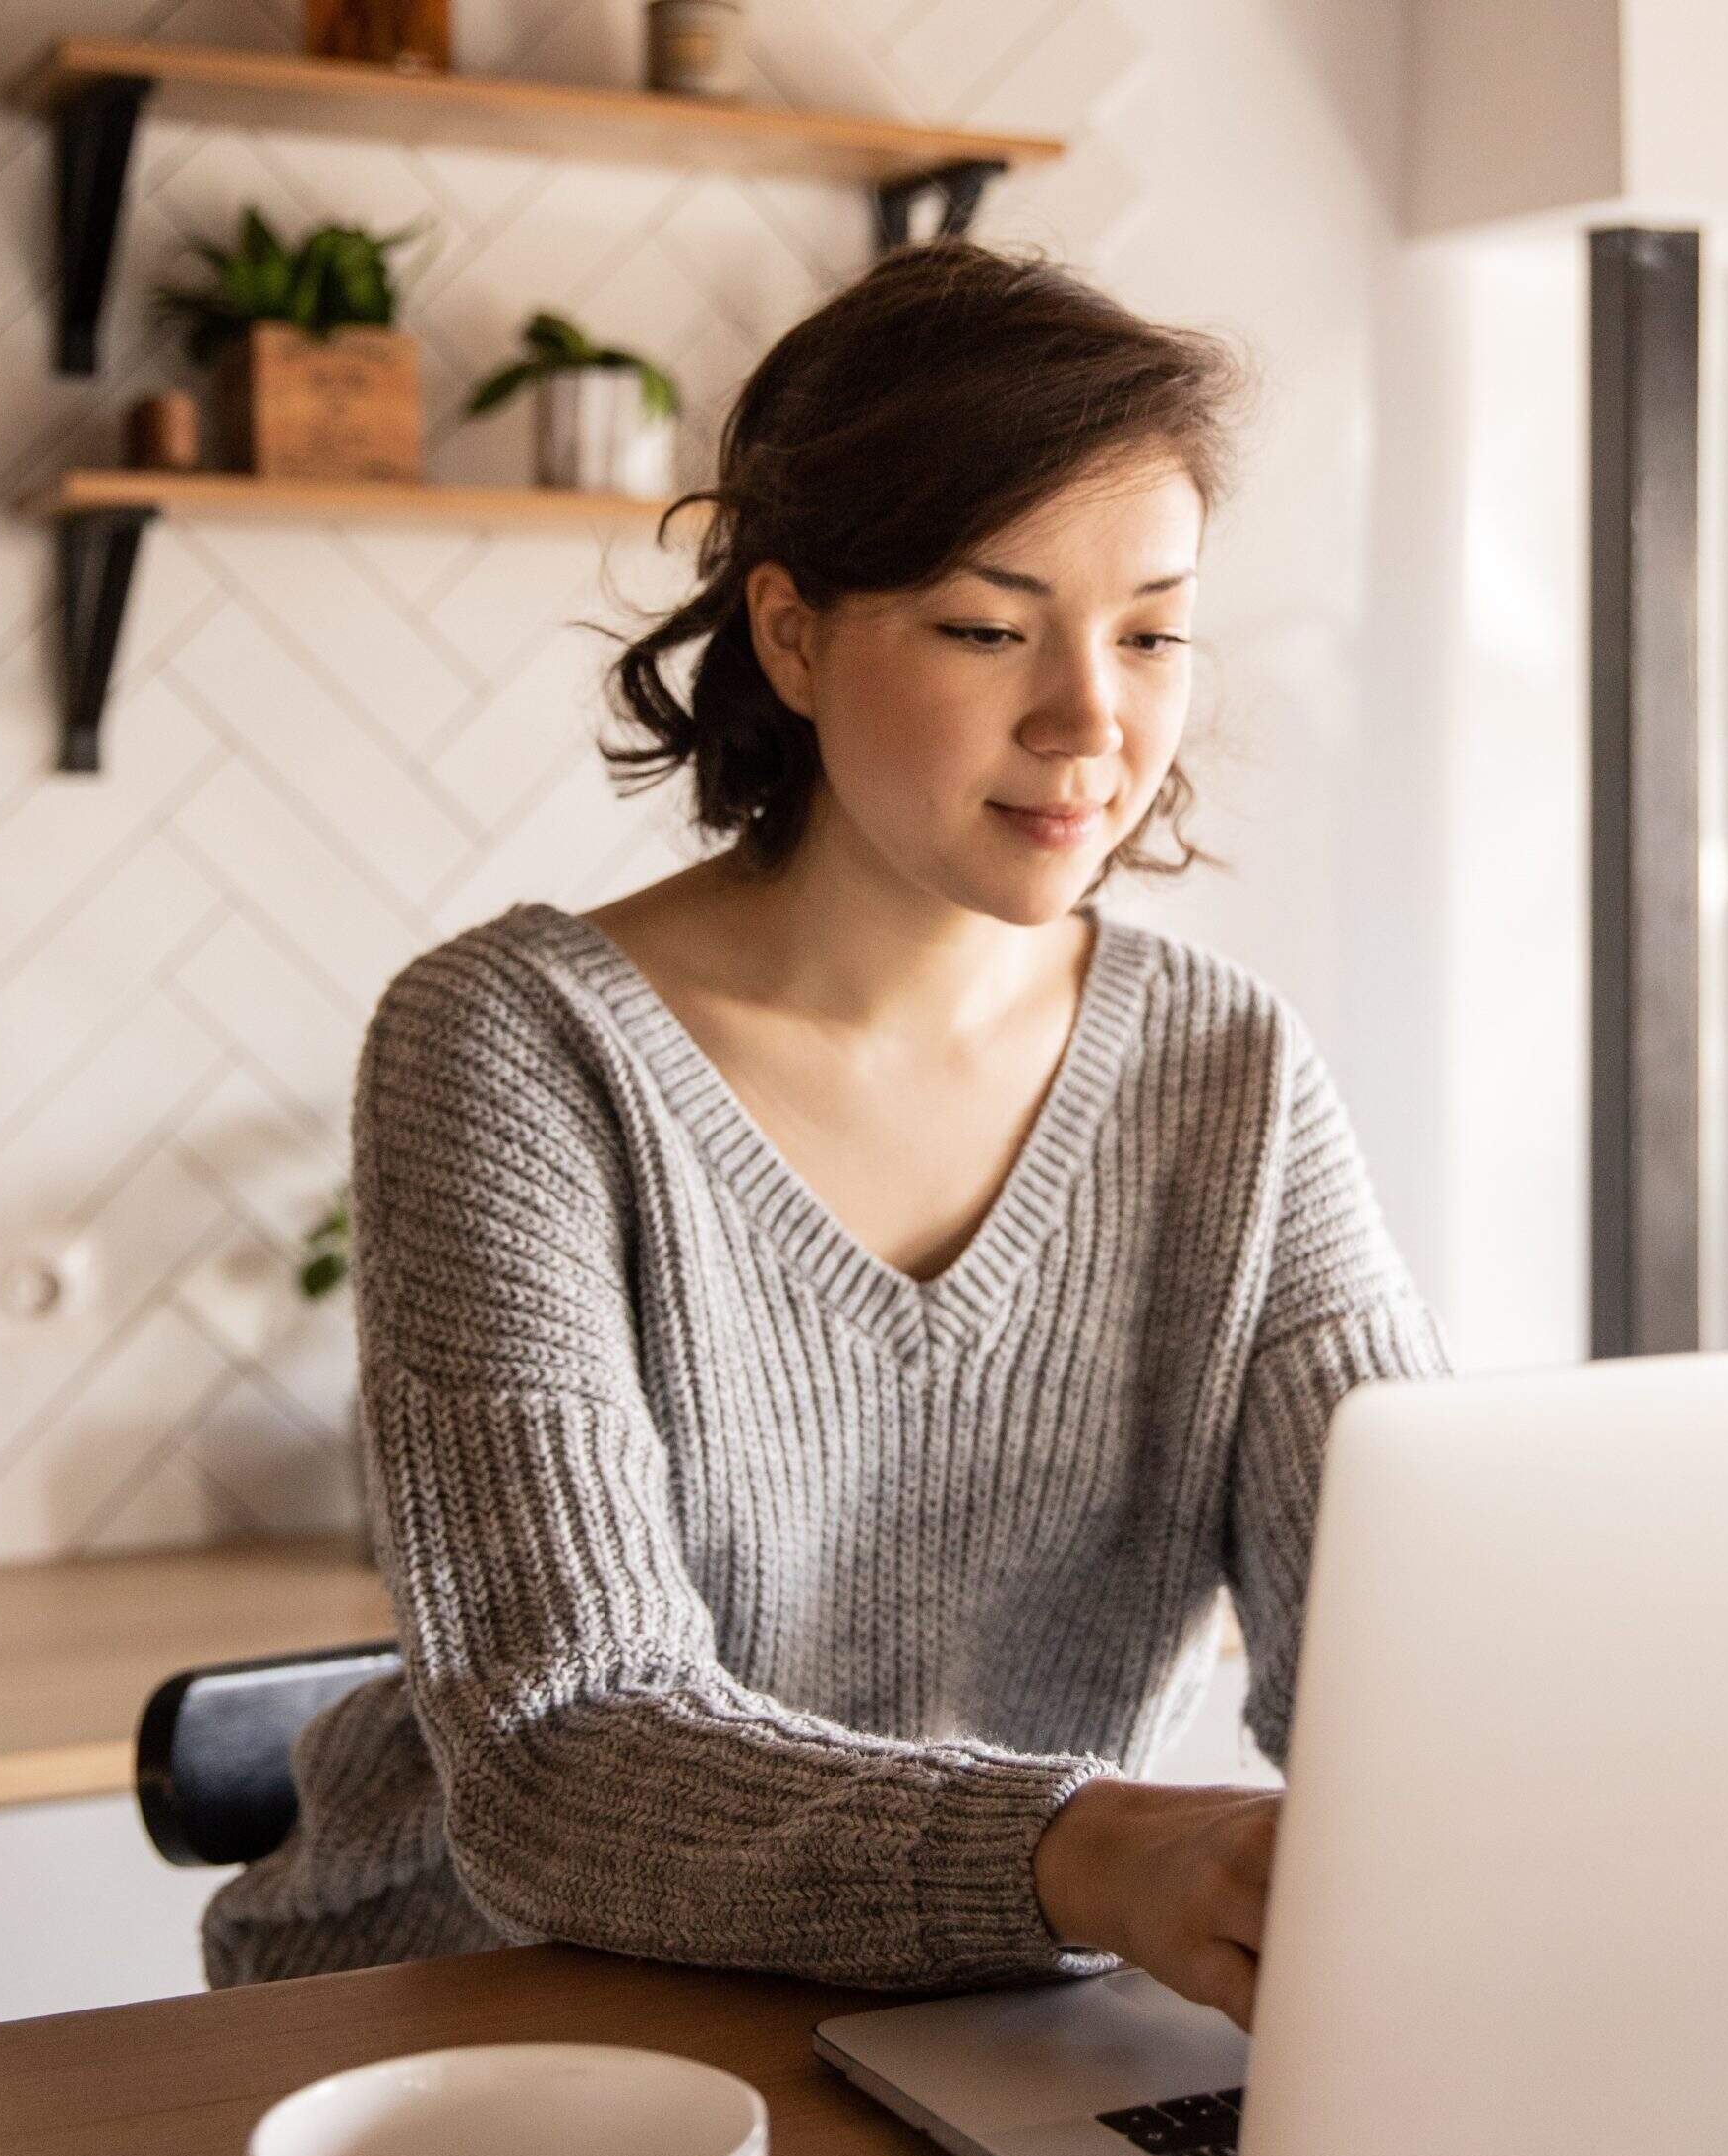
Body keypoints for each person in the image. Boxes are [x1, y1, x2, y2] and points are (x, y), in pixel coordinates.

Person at [200, 238, 1451, 2030]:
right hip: (477, 2025)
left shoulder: (1225, 1070)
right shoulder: (514, 1047)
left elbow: (1413, 1636)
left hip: (969, 2018)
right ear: (790, 633)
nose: (1092, 722)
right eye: (984, 625)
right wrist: (1080, 1849)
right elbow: (563, 1749)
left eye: (1153, 631)